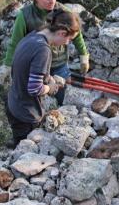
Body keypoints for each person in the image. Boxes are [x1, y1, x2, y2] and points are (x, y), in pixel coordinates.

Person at [1, 0, 89, 105]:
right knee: (37, 97)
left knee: (63, 98)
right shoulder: (25, 15)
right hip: (36, 67)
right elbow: (15, 42)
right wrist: (8, 65)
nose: (52, 1)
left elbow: (76, 34)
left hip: (59, 65)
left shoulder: (62, 11)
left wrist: (84, 55)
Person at [5, 8, 80, 148]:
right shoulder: (43, 50)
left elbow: (28, 69)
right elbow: (34, 88)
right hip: (26, 113)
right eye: (69, 39)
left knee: (17, 141)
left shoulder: (33, 35)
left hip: (13, 102)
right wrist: (50, 88)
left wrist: (48, 78)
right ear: (61, 33)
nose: (67, 43)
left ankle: (14, 144)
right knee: (25, 151)